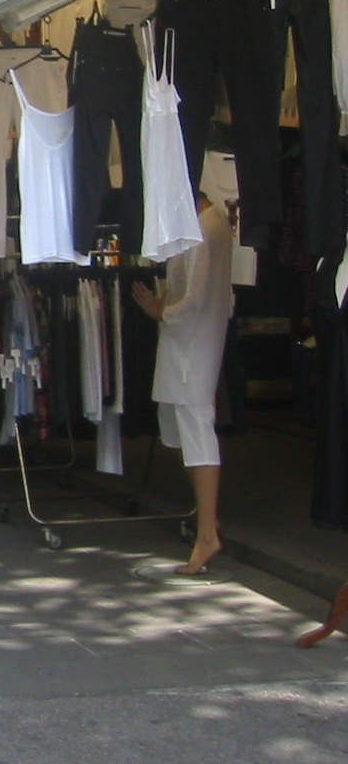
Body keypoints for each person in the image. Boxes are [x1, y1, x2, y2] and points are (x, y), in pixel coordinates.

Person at [130, 193, 234, 575]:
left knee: (194, 427)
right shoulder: (204, 225)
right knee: (178, 429)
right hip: (184, 339)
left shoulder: (203, 229)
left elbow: (196, 297)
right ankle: (209, 518)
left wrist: (163, 310)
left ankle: (207, 532)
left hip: (193, 341)